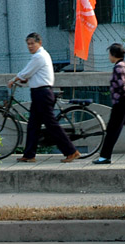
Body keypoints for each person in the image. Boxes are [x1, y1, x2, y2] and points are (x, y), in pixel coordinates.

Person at [7, 32, 80, 163]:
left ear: (39, 43)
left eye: (32, 43)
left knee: (51, 125)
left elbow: (26, 72)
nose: (30, 46)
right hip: (39, 93)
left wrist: (14, 79)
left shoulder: (39, 56)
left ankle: (71, 151)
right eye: (28, 44)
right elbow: (32, 75)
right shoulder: (40, 56)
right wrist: (24, 80)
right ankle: (29, 154)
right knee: (33, 125)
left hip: (42, 94)